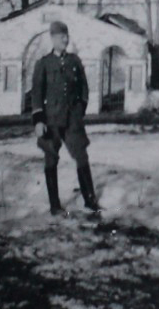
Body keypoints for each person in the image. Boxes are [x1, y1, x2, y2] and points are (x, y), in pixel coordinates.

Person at [31, 20, 99, 215]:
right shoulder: (43, 63)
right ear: (52, 38)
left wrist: (80, 110)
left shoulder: (74, 61)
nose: (65, 40)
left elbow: (84, 88)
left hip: (72, 119)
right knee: (51, 159)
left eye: (67, 36)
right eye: (62, 37)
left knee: (82, 156)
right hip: (50, 121)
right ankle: (54, 205)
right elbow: (37, 93)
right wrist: (38, 121)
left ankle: (90, 200)